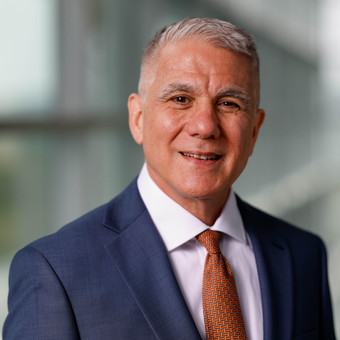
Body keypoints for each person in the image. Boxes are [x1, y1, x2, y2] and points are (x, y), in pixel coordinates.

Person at [3, 17, 336, 340]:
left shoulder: (303, 255)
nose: (205, 126)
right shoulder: (55, 273)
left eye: (229, 103)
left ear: (255, 130)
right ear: (138, 118)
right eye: (181, 99)